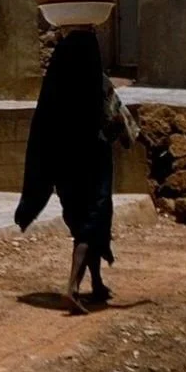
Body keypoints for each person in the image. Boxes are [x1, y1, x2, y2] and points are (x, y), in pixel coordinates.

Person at [15, 28, 138, 314]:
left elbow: (42, 133)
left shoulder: (54, 89)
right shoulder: (97, 84)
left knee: (83, 222)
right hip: (93, 165)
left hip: (64, 169)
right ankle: (72, 288)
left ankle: (96, 282)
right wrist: (133, 135)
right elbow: (119, 121)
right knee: (93, 222)